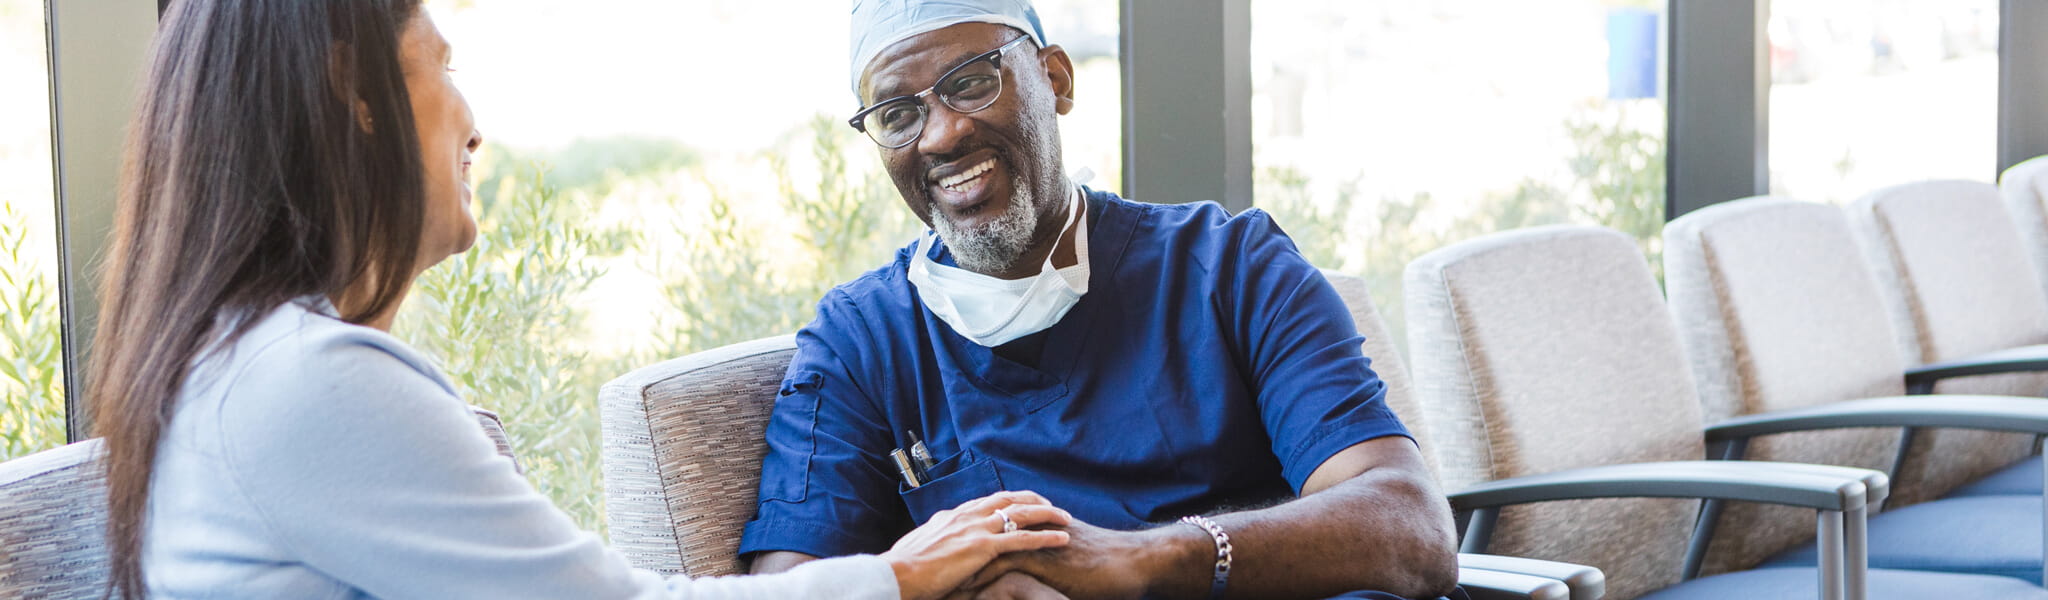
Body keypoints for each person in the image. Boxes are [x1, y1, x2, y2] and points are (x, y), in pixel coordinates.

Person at [89, 1, 1073, 598]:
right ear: (355, 95)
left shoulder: (243, 364)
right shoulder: (305, 386)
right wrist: (903, 574)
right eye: (443, 67)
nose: (473, 126)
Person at [740, 1, 1463, 599]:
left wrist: (1139, 560)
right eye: (897, 114)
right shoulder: (862, 344)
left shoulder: (1228, 266)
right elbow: (793, 586)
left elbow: (1410, 527)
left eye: (972, 82)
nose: (943, 133)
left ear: (1056, 80)